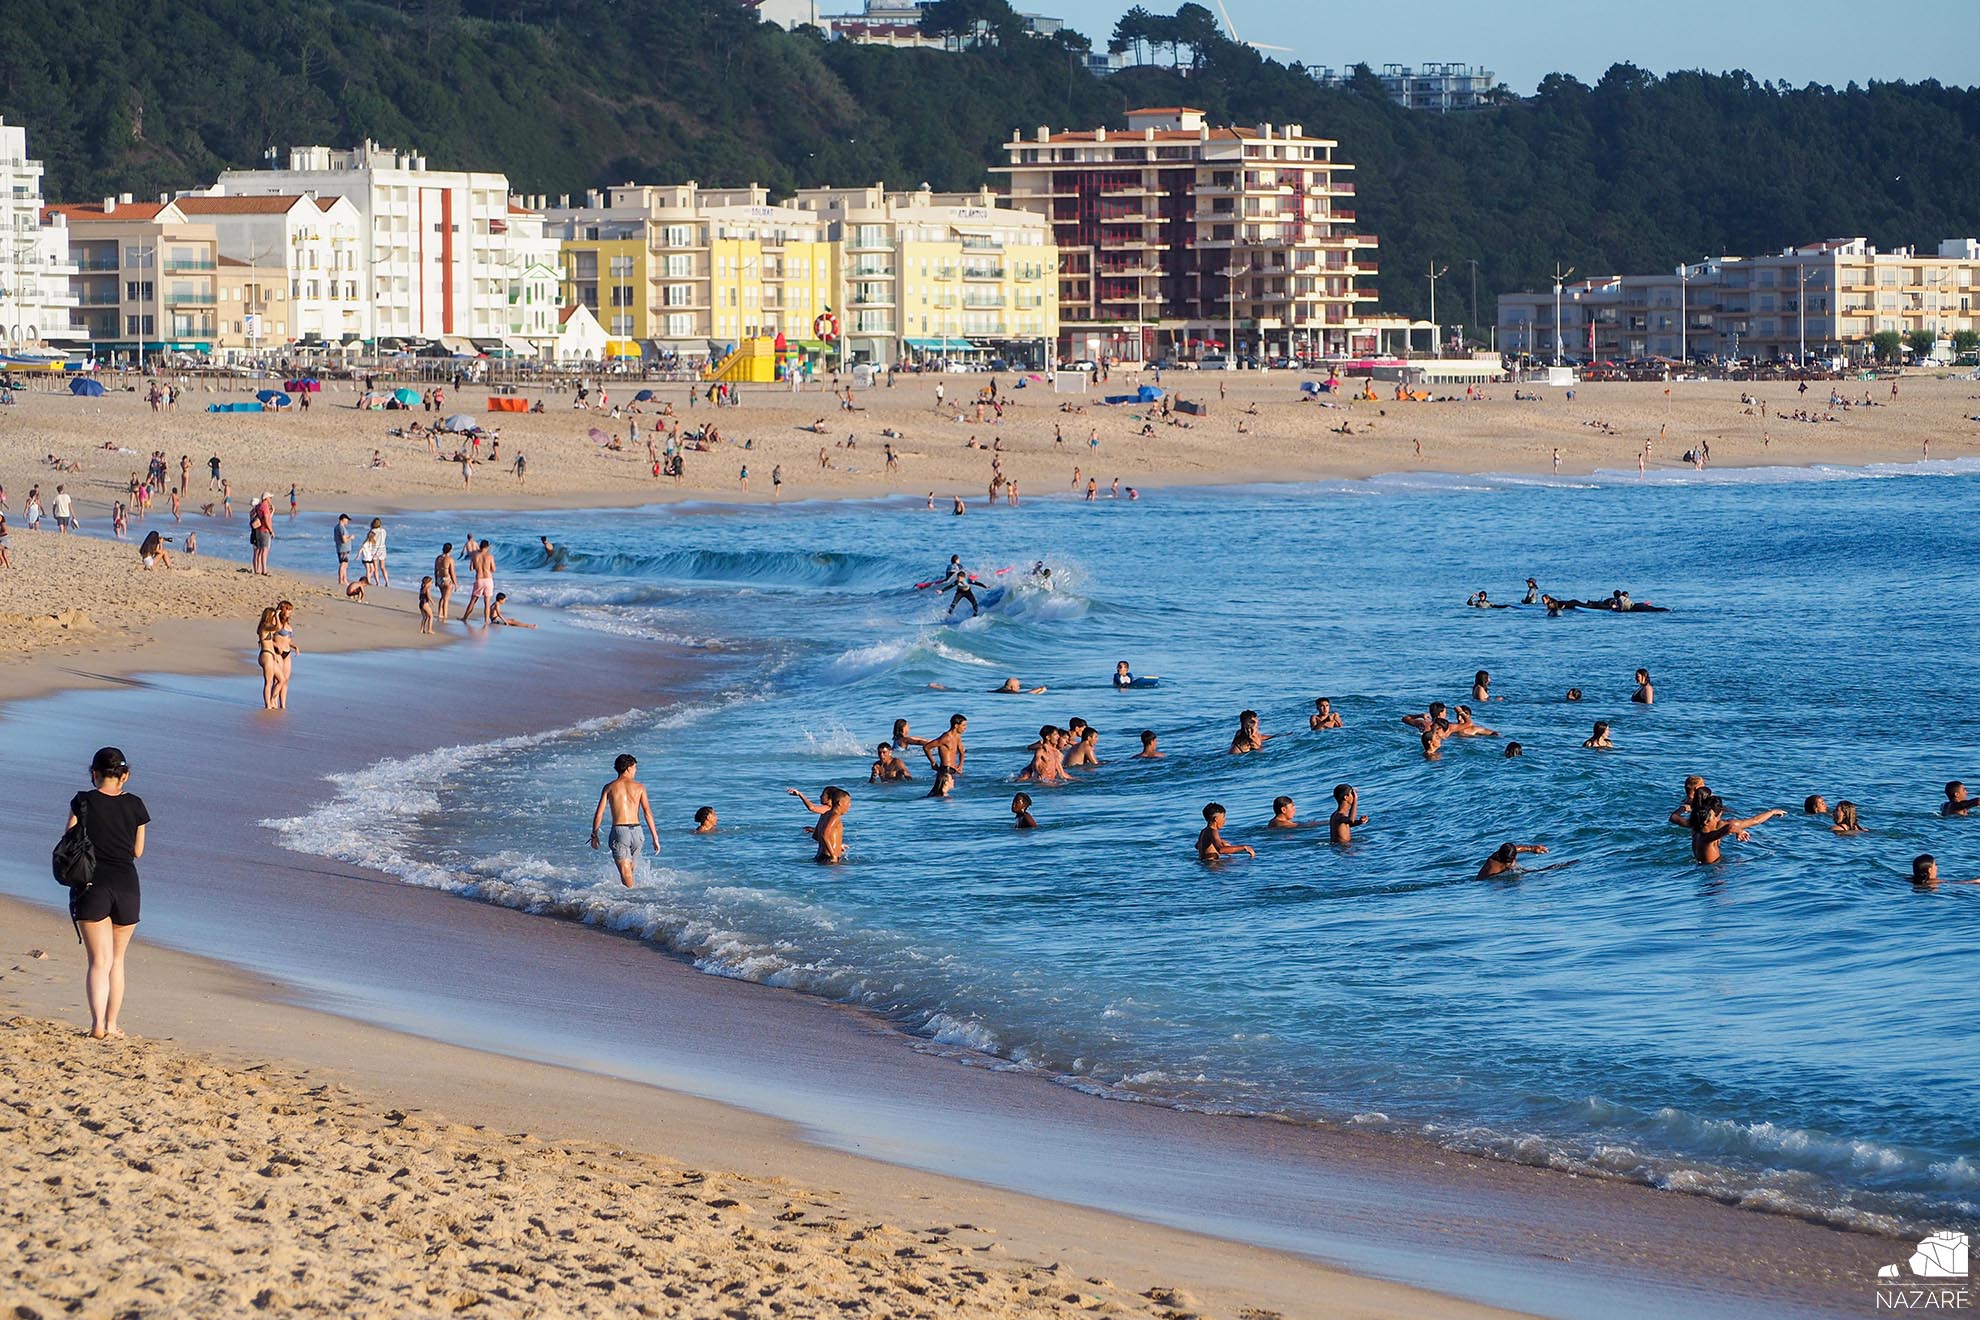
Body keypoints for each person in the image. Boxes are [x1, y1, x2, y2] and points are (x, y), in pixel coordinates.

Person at [66, 747, 150, 1039]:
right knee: (117, 960)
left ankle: (97, 1025)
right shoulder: (137, 806)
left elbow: (69, 840)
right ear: (125, 776)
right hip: (127, 886)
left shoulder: (83, 801)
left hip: (92, 886)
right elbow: (137, 851)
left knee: (98, 962)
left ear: (94, 773)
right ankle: (113, 1025)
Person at [590, 754, 660, 887]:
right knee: (629, 869)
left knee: (625, 871)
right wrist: (655, 838)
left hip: (620, 831)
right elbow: (647, 813)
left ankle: (631, 900)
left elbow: (599, 814)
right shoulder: (640, 787)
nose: (635, 771)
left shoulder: (609, 787)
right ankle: (632, 901)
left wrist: (594, 834)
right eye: (634, 768)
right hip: (638, 832)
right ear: (628, 768)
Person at [1690, 796, 1785, 864]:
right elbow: (1754, 821)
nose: (1715, 819)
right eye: (1713, 818)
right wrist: (1739, 831)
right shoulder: (1709, 836)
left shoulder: (1695, 830)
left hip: (1701, 865)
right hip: (1714, 870)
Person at [788, 785, 850, 863]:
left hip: (822, 856)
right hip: (829, 857)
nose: (849, 805)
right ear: (840, 803)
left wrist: (838, 845)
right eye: (848, 803)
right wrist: (833, 855)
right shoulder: (833, 814)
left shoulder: (825, 814)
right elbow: (824, 835)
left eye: (823, 795)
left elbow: (816, 836)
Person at [1477, 842, 1548, 879]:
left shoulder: (1496, 855)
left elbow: (1514, 849)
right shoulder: (1496, 869)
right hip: (1487, 881)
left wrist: (1532, 848)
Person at [248, 493, 273, 576]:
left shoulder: (258, 507)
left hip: (257, 531)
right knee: (263, 551)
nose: (271, 499)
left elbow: (254, 515)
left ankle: (257, 570)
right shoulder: (264, 506)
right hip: (264, 530)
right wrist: (271, 530)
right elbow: (266, 520)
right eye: (270, 498)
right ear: (266, 498)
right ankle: (263, 570)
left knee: (258, 552)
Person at [435, 542, 459, 620]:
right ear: (450, 550)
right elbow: (452, 572)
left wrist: (436, 580)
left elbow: (435, 570)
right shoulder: (450, 559)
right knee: (446, 599)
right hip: (447, 579)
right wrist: (455, 583)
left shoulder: (438, 558)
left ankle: (439, 613)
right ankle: (445, 615)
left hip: (439, 578)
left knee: (442, 597)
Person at [334, 513, 353, 587]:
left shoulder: (337, 527)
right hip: (343, 548)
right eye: (347, 520)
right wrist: (350, 537)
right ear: (343, 519)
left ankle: (344, 580)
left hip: (341, 548)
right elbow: (344, 540)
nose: (347, 522)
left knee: (345, 564)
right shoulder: (341, 527)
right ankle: (341, 580)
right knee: (343, 564)